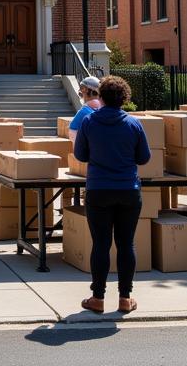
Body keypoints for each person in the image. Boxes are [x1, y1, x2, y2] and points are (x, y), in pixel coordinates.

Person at [73, 75, 151, 314]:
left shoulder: (89, 122)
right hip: (128, 189)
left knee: (101, 244)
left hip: (98, 189)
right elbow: (144, 158)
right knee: (126, 243)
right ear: (124, 98)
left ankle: (97, 297)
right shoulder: (134, 124)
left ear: (101, 96)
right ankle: (125, 297)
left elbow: (80, 155)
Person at [68, 76, 103, 142]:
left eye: (81, 88)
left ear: (85, 89)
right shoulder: (104, 108)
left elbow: (72, 134)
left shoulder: (84, 112)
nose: (80, 91)